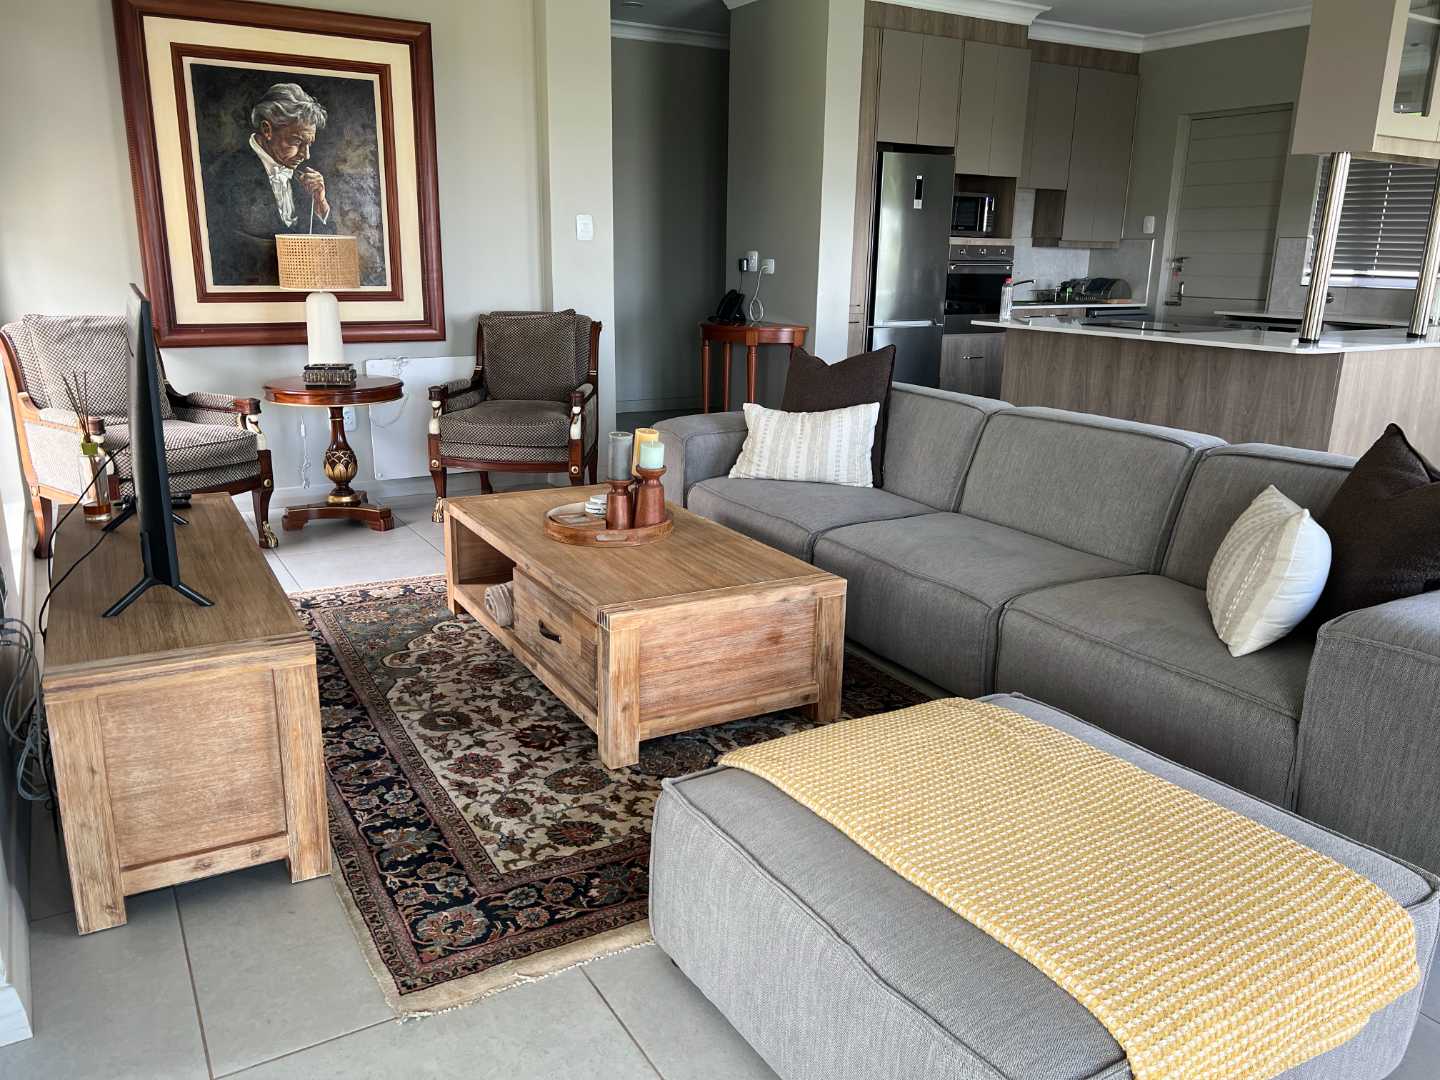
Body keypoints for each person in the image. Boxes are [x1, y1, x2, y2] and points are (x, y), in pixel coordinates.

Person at [203, 82, 336, 285]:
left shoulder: (304, 178)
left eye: (309, 144)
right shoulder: (223, 173)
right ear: (267, 130)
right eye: (296, 142)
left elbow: (323, 253)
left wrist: (320, 202)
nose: (306, 155)